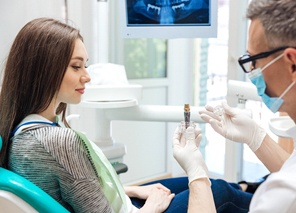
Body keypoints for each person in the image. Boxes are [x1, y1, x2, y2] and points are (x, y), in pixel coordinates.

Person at [0, 17, 256, 213]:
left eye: (85, 65)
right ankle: (276, 197)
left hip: (119, 203)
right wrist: (152, 206)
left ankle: (252, 187)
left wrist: (133, 189)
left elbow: (77, 191)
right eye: (76, 66)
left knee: (216, 186)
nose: (87, 76)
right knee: (220, 190)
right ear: (43, 69)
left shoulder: (20, 129)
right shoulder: (57, 142)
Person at [174, 0, 296, 212]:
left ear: (293, 65)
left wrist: (197, 174)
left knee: (220, 192)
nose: (252, 71)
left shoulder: (291, 195)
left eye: (254, 60)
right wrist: (256, 137)